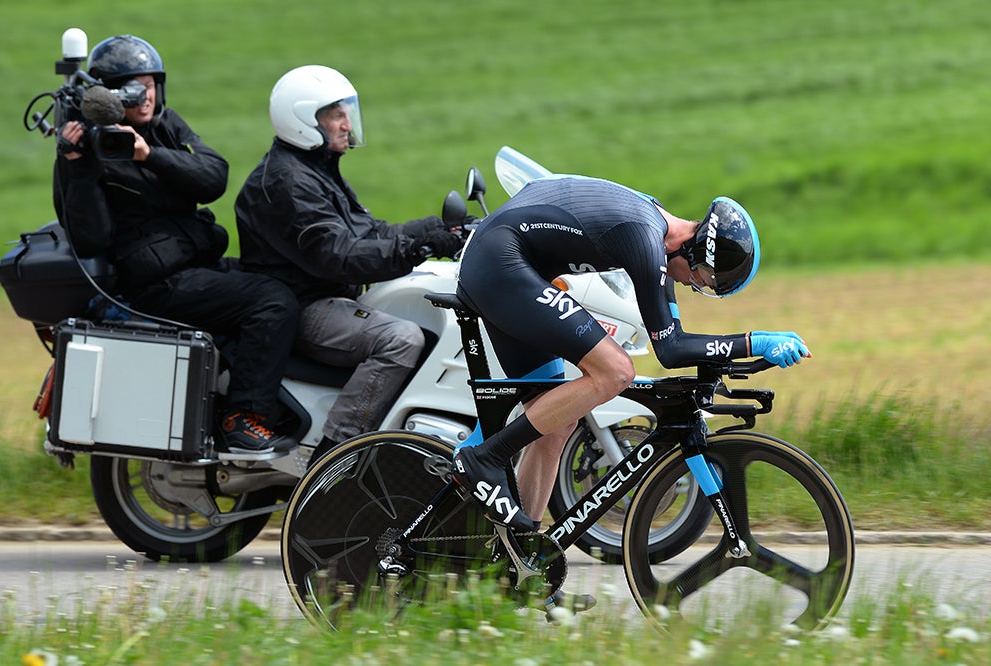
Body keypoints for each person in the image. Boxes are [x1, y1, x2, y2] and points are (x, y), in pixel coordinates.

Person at [452, 175, 811, 534]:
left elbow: (675, 338)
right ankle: (486, 459)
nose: (694, 285)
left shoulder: (662, 239)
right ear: (692, 248)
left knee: (557, 423)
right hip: (500, 262)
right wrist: (756, 341)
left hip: (509, 265)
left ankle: (521, 561)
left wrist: (739, 351)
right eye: (702, 279)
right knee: (615, 371)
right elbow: (670, 351)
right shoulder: (645, 237)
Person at [52, 34, 300, 453]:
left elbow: (213, 177)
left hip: (196, 267)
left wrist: (149, 154)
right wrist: (78, 168)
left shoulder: (163, 125)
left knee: (287, 278)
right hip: (156, 286)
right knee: (272, 301)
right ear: (104, 94)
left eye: (150, 85)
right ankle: (243, 419)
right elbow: (90, 236)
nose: (144, 96)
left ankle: (270, 402)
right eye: (132, 88)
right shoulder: (84, 152)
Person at [234, 65, 463, 457]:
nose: (345, 124)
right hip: (306, 304)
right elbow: (339, 255)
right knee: (401, 339)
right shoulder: (287, 182)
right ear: (304, 121)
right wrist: (419, 249)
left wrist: (438, 229)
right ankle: (335, 454)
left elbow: (369, 232)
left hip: (330, 296)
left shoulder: (314, 169)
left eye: (346, 113)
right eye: (335, 116)